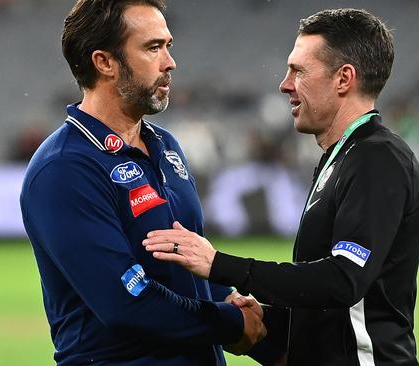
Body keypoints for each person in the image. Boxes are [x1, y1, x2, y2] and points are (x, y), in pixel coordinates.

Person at [143, 8, 419, 366]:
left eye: (299, 71)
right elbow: (327, 311)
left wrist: (221, 265)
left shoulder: (378, 158)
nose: (285, 84)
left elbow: (343, 281)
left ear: (343, 79)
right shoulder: (341, 158)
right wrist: (257, 320)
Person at [19, 1, 266, 365]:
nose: (170, 62)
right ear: (105, 62)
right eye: (153, 48)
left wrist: (226, 296)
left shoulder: (165, 146)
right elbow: (125, 304)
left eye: (168, 46)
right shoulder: (64, 169)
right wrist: (231, 322)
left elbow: (184, 260)